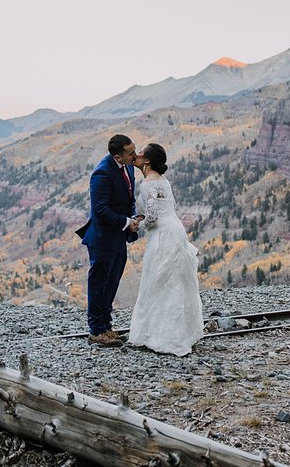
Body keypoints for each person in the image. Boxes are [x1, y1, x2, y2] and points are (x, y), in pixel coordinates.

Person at [127, 143, 203, 356]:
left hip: (162, 235)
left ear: (147, 161)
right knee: (176, 281)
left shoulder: (148, 184)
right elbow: (166, 208)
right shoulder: (163, 181)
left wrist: (137, 224)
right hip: (175, 230)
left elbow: (152, 217)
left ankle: (162, 337)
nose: (137, 156)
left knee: (160, 281)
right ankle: (181, 334)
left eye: (140, 154)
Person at [75, 134, 143, 347]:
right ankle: (96, 330)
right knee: (99, 284)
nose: (136, 155)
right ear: (117, 156)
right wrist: (125, 222)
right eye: (131, 153)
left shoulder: (128, 166)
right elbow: (100, 210)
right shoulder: (102, 173)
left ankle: (106, 326)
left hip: (118, 237)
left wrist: (132, 217)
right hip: (103, 239)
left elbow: (129, 197)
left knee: (112, 282)